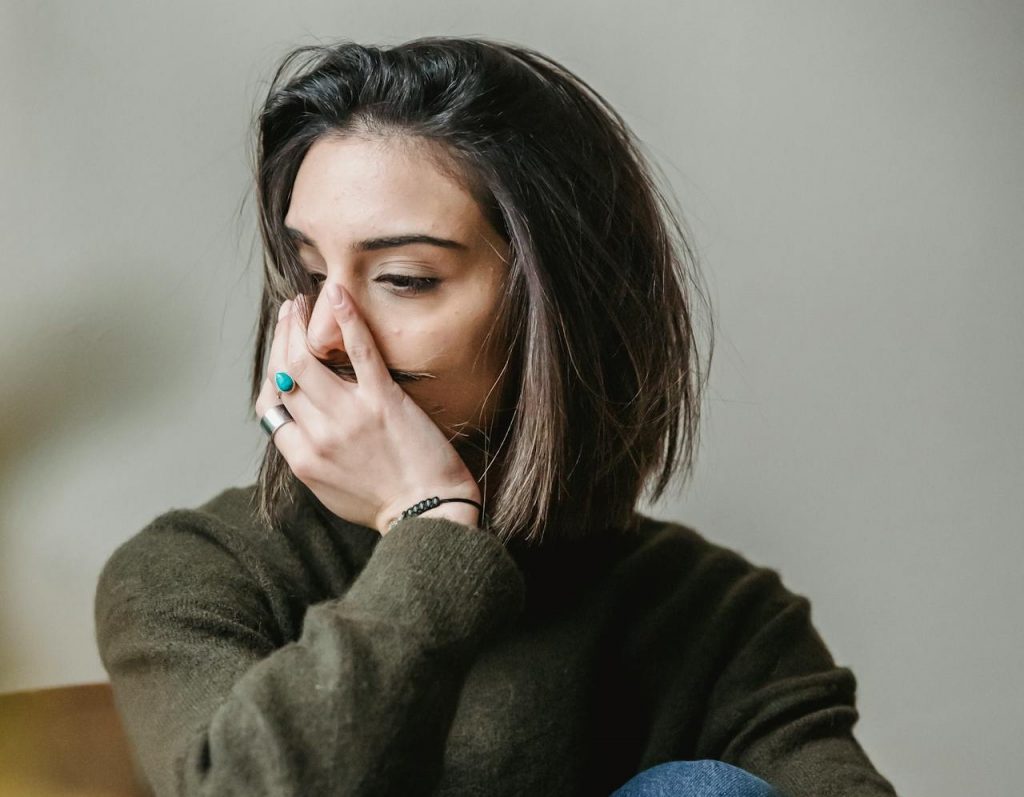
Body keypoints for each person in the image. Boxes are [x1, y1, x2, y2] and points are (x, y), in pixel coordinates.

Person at [93, 36, 899, 796]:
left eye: (405, 278)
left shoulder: (714, 614)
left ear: (561, 307)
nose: (328, 331)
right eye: (307, 274)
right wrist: (432, 534)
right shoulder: (197, 571)